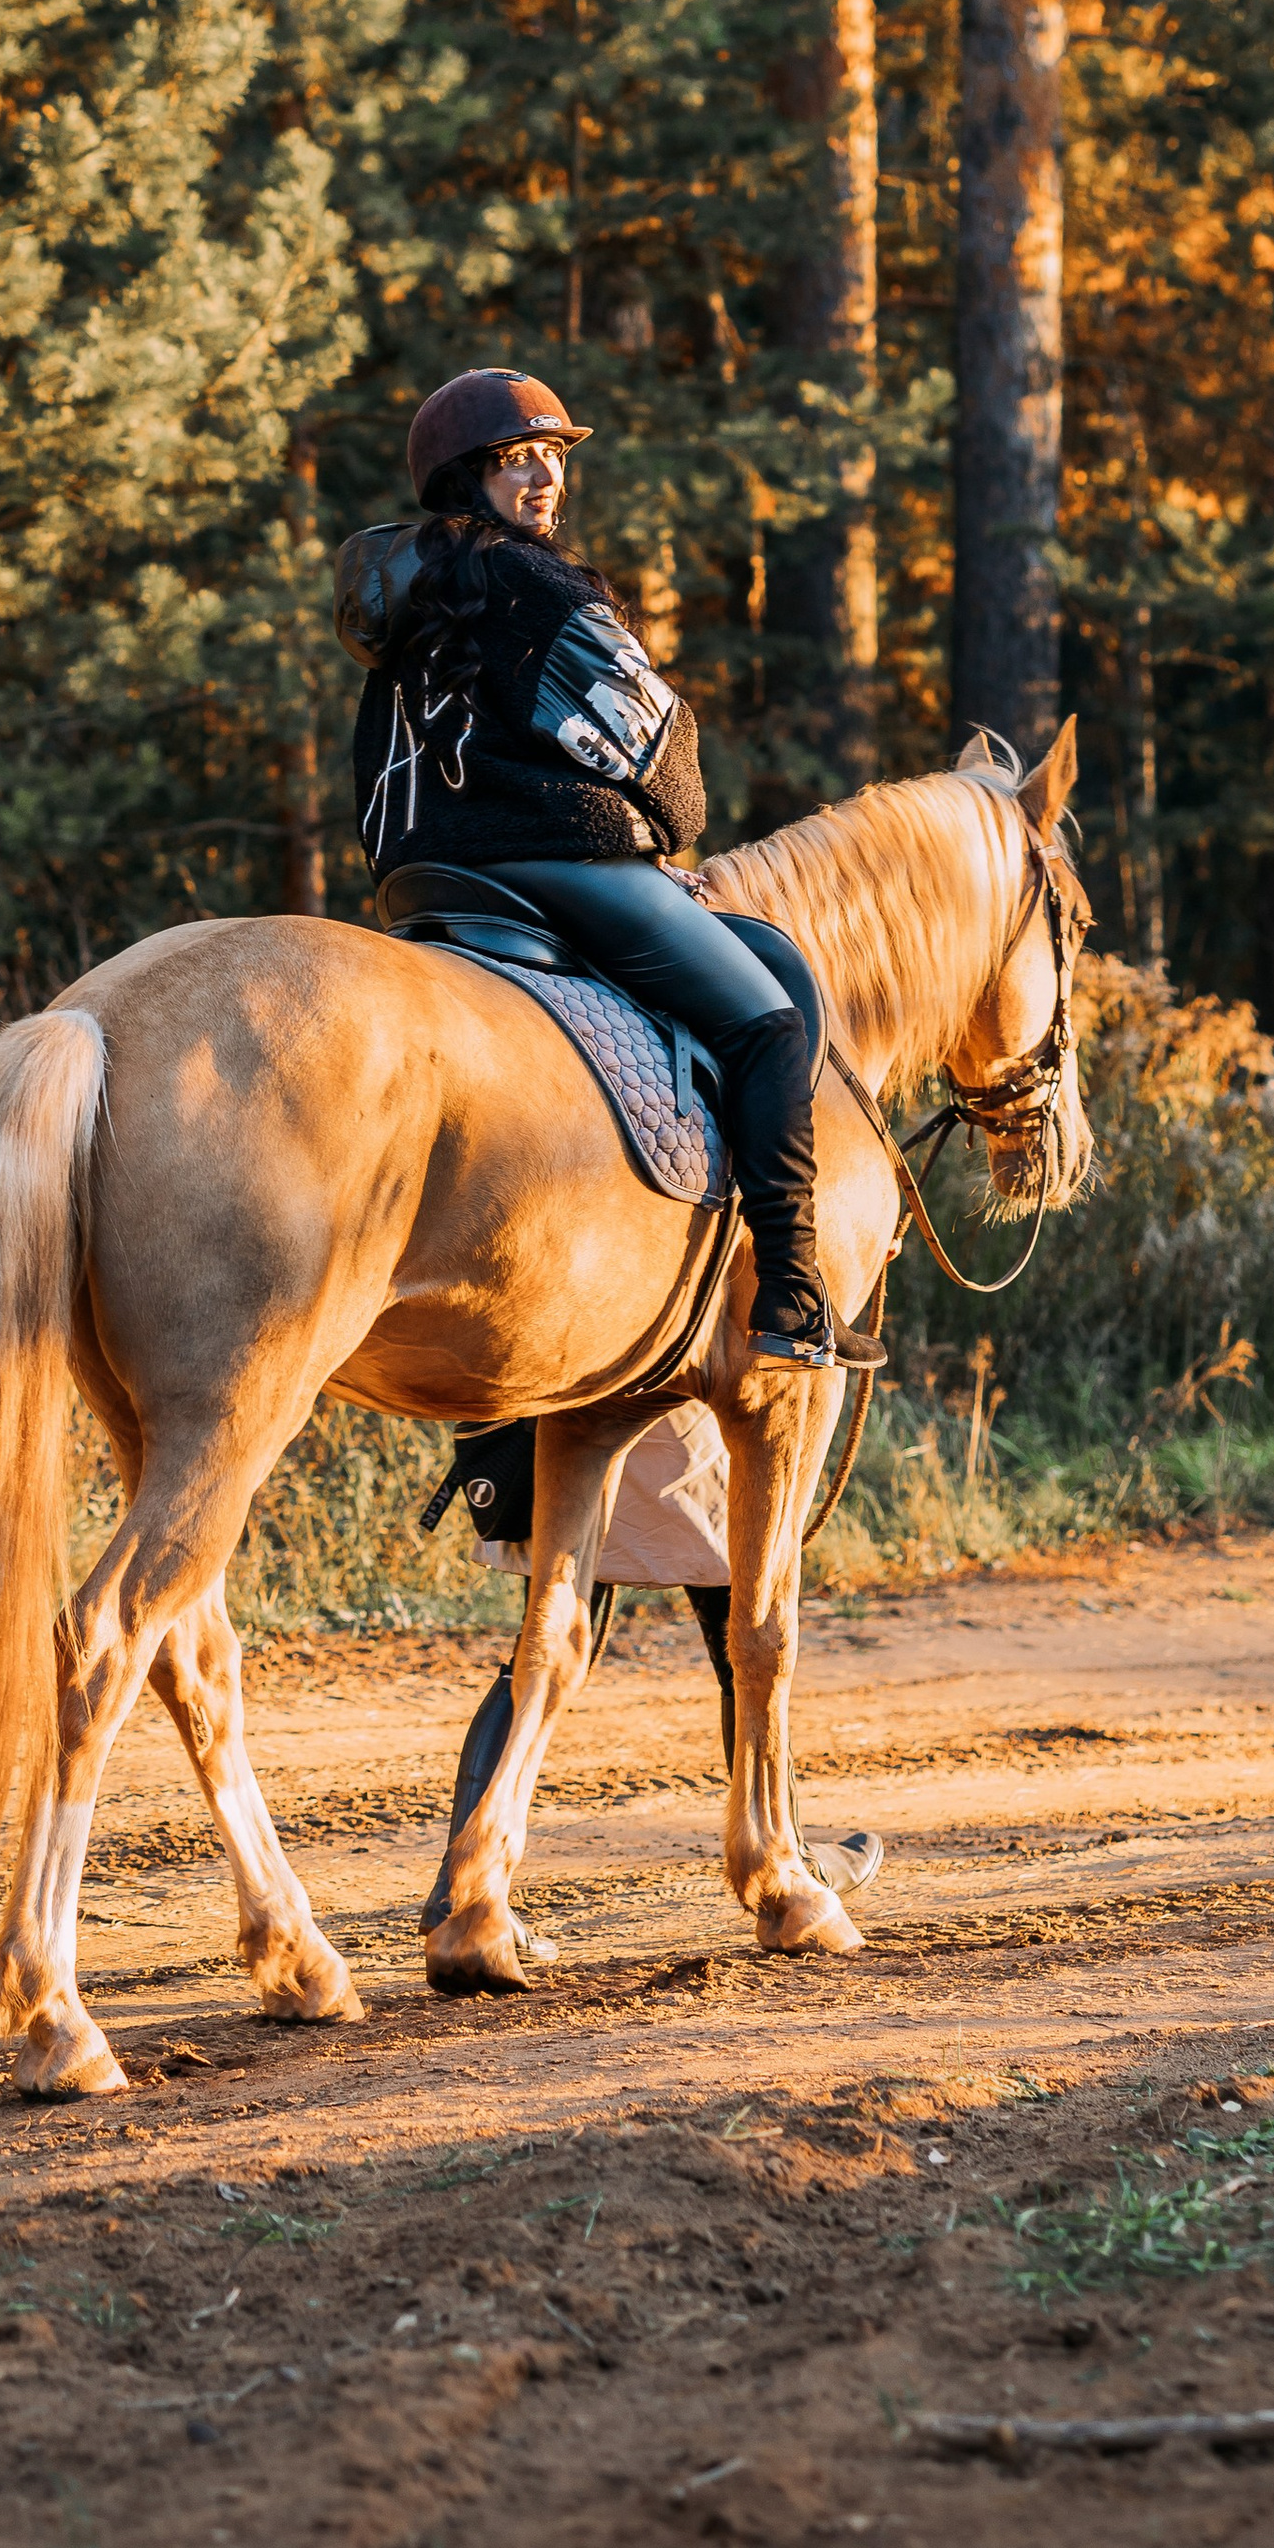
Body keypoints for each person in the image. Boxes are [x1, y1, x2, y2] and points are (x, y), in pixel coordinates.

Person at [348, 363, 877, 1371]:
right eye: (515, 461)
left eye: (553, 456)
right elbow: (652, 741)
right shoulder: (536, 584)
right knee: (765, 1023)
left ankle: (496, 1447)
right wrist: (673, 826)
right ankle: (792, 1298)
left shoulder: (399, 611)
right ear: (467, 478)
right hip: (551, 863)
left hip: (421, 880)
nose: (544, 477)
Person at [420, 1402, 882, 1947]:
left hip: (575, 1418)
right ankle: (787, 1864)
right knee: (748, 1642)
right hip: (685, 1436)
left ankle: (459, 1893)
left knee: (544, 1649)